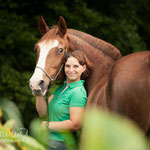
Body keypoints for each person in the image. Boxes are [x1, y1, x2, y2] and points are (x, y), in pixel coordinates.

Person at [36, 50, 92, 150]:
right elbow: (44, 113)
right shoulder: (60, 89)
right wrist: (39, 95)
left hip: (62, 144)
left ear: (83, 68)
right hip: (49, 142)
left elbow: (75, 124)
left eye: (75, 66)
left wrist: (48, 125)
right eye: (67, 66)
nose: (71, 70)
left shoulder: (78, 92)